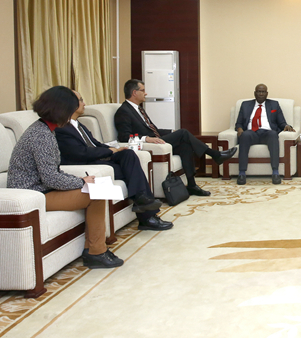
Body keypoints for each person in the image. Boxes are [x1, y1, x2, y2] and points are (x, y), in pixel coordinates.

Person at [8, 86, 123, 268]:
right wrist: (80, 181)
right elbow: (50, 178)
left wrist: (81, 181)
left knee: (96, 189)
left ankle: (94, 249)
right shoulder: (41, 135)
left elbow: (53, 171)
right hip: (34, 194)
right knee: (96, 194)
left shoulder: (44, 129)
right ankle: (96, 252)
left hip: (42, 189)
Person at [56, 91, 172, 231]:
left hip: (98, 157)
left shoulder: (79, 125)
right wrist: (110, 151)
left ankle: (142, 200)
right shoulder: (62, 128)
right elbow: (81, 153)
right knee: (133, 172)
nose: (84, 103)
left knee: (128, 154)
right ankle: (147, 216)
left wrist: (114, 149)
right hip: (88, 164)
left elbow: (95, 144)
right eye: (81, 100)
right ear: (71, 104)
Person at [114, 79, 236, 197]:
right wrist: (147, 139)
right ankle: (214, 154)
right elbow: (124, 136)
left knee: (185, 145)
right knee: (183, 133)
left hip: (157, 140)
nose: (146, 93)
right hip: (150, 145)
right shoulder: (123, 111)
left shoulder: (139, 109)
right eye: (143, 90)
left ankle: (192, 185)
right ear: (134, 93)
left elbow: (154, 129)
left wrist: (172, 131)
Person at [235, 84, 295, 185]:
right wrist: (240, 129)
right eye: (259, 91)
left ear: (267, 94)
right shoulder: (245, 105)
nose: (261, 94)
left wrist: (286, 126)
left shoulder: (274, 104)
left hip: (267, 133)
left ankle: (275, 172)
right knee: (244, 135)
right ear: (255, 93)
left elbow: (281, 122)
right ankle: (241, 173)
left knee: (273, 134)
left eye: (263, 92)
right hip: (251, 133)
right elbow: (239, 123)